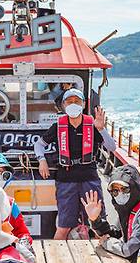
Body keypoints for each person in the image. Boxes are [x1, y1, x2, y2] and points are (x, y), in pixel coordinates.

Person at [34, 88, 117, 240]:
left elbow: (112, 147)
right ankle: (55, 260)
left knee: (98, 223)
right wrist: (42, 160)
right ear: (64, 105)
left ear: (84, 104)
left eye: (77, 101)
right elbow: (39, 145)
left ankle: (104, 259)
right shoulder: (58, 126)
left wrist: (102, 129)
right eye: (69, 101)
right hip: (66, 181)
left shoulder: (93, 125)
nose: (73, 104)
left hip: (89, 179)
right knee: (64, 226)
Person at [81, 165, 140, 263]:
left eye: (125, 189)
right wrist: (95, 220)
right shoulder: (126, 205)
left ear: (134, 187)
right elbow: (115, 233)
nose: (120, 194)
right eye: (115, 191)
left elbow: (129, 250)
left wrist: (106, 242)